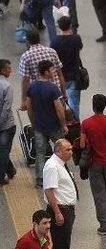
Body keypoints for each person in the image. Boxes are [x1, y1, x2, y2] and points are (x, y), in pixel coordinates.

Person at [42, 138, 83, 249]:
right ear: (58, 151)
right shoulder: (52, 166)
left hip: (66, 209)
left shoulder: (60, 164)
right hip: (59, 210)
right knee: (60, 246)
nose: (71, 152)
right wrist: (58, 212)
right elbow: (49, 190)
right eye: (68, 150)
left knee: (64, 246)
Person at [80, 93, 106, 234]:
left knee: (99, 195)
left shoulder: (86, 123)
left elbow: (82, 144)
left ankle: (103, 226)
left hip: (95, 165)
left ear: (93, 106)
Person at [25, 59, 67, 188]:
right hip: (54, 126)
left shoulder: (32, 86)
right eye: (52, 69)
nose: (54, 71)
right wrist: (64, 124)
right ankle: (61, 175)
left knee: (40, 153)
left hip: (39, 127)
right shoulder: (52, 88)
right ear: (46, 71)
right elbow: (59, 109)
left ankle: (40, 179)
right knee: (61, 150)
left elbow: (29, 107)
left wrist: (33, 122)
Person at [19, 29, 66, 108]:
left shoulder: (25, 56)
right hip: (56, 93)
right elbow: (60, 74)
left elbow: (25, 80)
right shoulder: (52, 51)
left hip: (38, 95)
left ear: (27, 41)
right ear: (39, 38)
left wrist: (24, 100)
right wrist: (64, 94)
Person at [50, 15, 82, 119]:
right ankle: (75, 124)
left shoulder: (54, 41)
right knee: (74, 103)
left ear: (59, 27)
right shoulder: (76, 38)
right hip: (74, 75)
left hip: (60, 76)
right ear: (70, 25)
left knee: (61, 103)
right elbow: (79, 48)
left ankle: (64, 124)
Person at [0, 59, 17, 185]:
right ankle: (1, 177)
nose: (10, 70)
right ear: (2, 70)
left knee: (3, 150)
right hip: (6, 125)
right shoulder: (7, 86)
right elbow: (6, 108)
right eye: (8, 68)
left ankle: (10, 170)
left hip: (4, 125)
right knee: (4, 151)